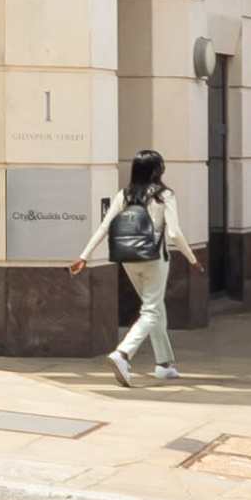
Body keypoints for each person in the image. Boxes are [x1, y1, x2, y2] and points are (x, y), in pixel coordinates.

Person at [68, 147, 195, 385]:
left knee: (154, 307)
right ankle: (123, 353)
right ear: (157, 170)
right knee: (152, 310)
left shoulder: (124, 195)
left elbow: (105, 226)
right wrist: (192, 259)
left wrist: (84, 256)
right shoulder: (164, 195)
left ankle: (164, 364)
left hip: (127, 258)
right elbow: (175, 233)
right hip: (154, 258)